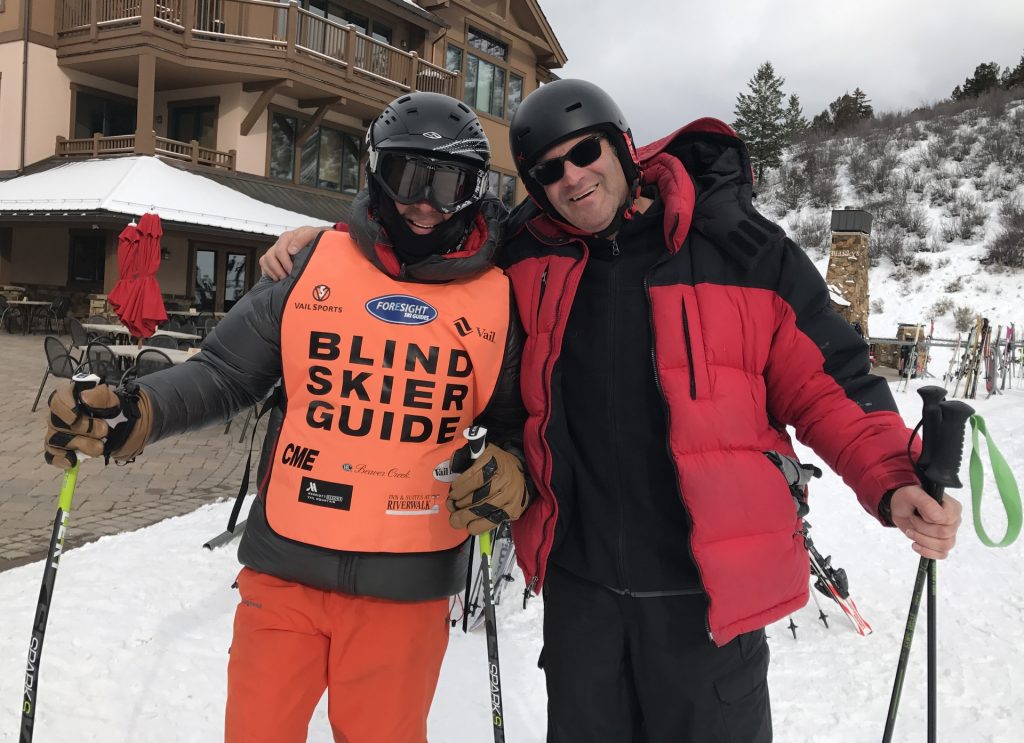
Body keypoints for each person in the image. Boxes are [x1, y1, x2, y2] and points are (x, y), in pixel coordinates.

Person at [259, 80, 963, 742]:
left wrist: (892, 476)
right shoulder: (526, 258)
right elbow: (424, 235)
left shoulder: (741, 251)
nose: (571, 177)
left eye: (584, 152)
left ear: (624, 147)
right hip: (582, 594)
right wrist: (331, 242)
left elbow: (828, 381)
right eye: (548, 172)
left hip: (705, 599)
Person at [43, 92, 528, 743]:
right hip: (286, 569)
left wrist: (508, 472)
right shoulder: (309, 266)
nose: (426, 203)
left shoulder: (500, 296)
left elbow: (516, 423)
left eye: (451, 183)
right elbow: (223, 372)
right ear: (376, 171)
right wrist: (139, 410)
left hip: (408, 584)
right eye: (411, 178)